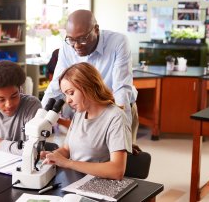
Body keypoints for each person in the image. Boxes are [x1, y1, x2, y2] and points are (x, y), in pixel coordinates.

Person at [41, 9, 139, 148]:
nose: (76, 45)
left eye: (82, 39)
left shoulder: (118, 42)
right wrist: (40, 118)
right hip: (86, 111)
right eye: (72, 40)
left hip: (117, 109)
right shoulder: (67, 47)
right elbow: (55, 86)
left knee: (121, 159)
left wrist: (122, 129)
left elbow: (121, 90)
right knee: (87, 155)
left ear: (96, 29)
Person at [42, 62, 131, 180]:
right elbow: (66, 149)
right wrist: (51, 156)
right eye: (65, 95)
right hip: (75, 180)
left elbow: (117, 171)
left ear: (88, 87)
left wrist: (68, 163)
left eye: (71, 93)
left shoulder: (116, 117)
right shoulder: (80, 113)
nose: (68, 100)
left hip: (99, 184)